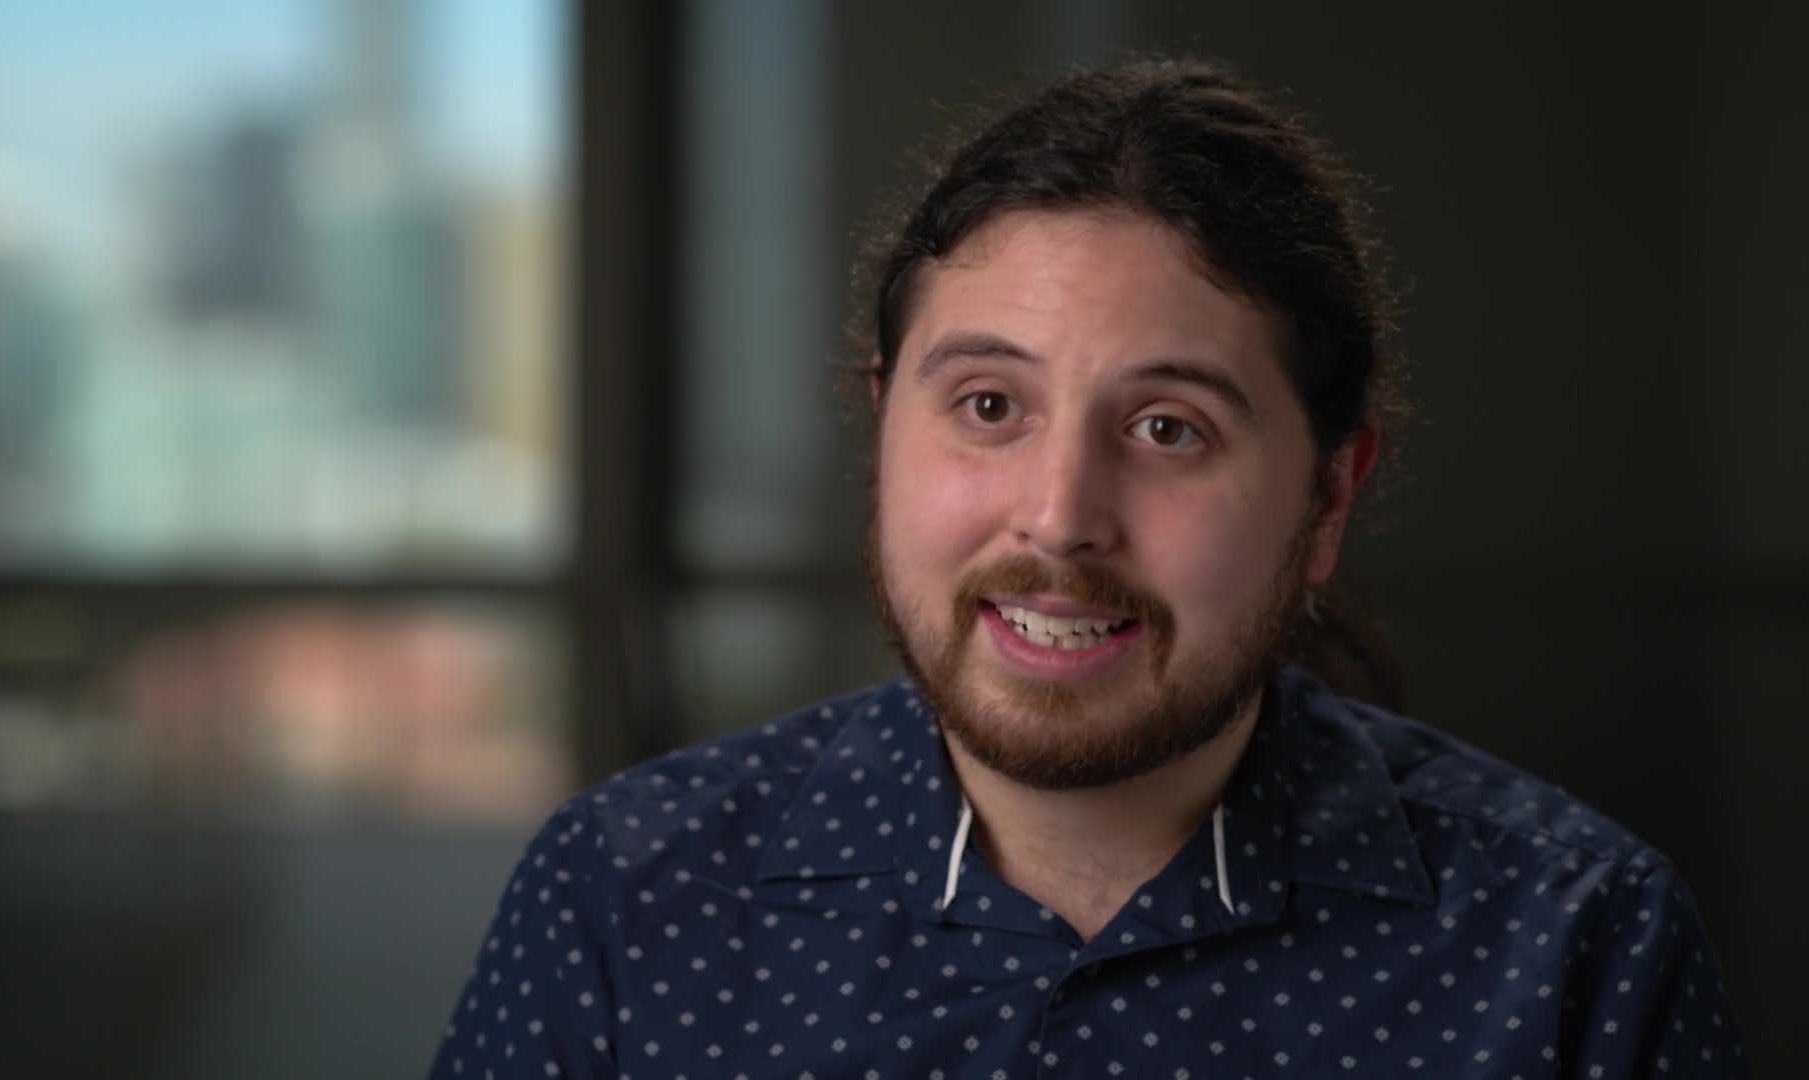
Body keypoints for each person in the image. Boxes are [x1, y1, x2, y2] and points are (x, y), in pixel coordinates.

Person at [430, 58, 1747, 1078]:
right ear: (881, 429)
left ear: (1329, 496)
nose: (1060, 519)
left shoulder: (1577, 946)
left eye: (1168, 429)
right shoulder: (627, 901)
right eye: (988, 407)